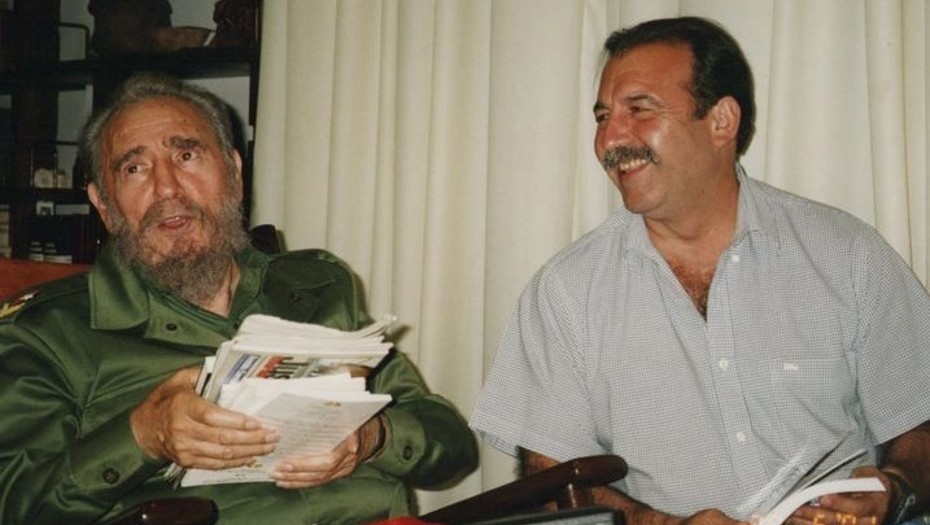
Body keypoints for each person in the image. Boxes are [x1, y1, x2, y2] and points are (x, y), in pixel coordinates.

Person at [469, 16, 930, 525]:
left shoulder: (846, 255)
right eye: (602, 117)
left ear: (721, 121)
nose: (608, 140)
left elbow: (922, 423)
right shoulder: (565, 292)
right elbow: (551, 477)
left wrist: (894, 491)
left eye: (639, 109)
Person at [0, 73, 477, 524]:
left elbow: (451, 445)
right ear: (104, 205)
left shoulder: (319, 288)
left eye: (187, 156)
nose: (167, 187)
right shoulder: (46, 334)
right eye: (134, 168)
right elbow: (14, 504)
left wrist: (373, 436)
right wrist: (144, 436)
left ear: (233, 172)